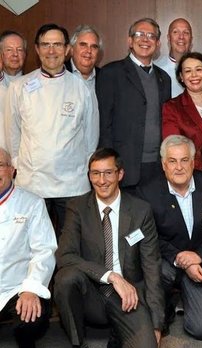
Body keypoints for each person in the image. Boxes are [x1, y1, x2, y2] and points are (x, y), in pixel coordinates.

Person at [54, 148, 164, 348]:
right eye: (95, 174)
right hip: (91, 292)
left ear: (120, 174)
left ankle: (120, 331)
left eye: (108, 173)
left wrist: (156, 325)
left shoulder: (140, 210)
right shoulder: (77, 207)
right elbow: (65, 255)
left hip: (127, 296)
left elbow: (152, 266)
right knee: (66, 278)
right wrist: (111, 276)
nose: (101, 181)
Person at [5, 23, 99, 235]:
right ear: (37, 50)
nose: (51, 51)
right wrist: (20, 165)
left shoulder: (82, 88)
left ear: (67, 50)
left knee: (70, 247)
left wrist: (84, 169)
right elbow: (13, 134)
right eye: (45, 45)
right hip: (33, 182)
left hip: (72, 184)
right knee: (34, 245)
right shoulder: (19, 87)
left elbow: (91, 137)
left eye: (57, 45)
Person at [137, 135, 202, 340]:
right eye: (172, 161)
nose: (178, 167)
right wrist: (181, 259)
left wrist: (199, 256)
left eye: (184, 160)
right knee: (158, 270)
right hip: (169, 262)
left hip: (201, 265)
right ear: (164, 165)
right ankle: (166, 304)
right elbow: (150, 236)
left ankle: (182, 298)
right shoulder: (148, 192)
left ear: (193, 162)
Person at [97, 18, 171, 190]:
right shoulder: (111, 73)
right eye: (139, 34)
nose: (145, 39)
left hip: (157, 166)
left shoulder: (164, 79)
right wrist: (109, 165)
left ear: (158, 43)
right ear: (129, 41)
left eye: (151, 36)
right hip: (123, 166)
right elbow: (103, 123)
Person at [0, 147, 57, 348]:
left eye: (1, 165)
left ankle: (25, 343)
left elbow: (43, 250)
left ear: (12, 170)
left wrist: (31, 289)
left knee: (33, 317)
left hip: (18, 288)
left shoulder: (32, 202)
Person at [154, 18, 193, 97]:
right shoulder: (156, 69)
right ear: (169, 37)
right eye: (175, 32)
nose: (181, 37)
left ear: (191, 39)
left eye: (186, 32)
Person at [65, 24, 102, 92]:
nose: (89, 51)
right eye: (83, 45)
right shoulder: (58, 74)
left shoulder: (105, 77)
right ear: (72, 49)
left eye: (94, 47)